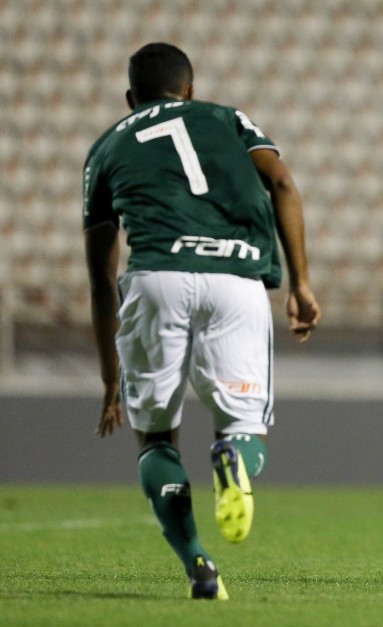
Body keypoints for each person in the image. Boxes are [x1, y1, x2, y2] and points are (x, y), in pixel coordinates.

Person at [83, 42, 321, 600]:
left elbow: (99, 274)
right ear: (189, 88)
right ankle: (234, 457)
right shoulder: (225, 118)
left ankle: (200, 569)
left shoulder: (107, 146)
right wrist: (301, 282)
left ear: (129, 98)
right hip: (235, 280)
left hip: (155, 278)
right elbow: (282, 183)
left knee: (155, 439)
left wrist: (109, 377)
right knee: (244, 427)